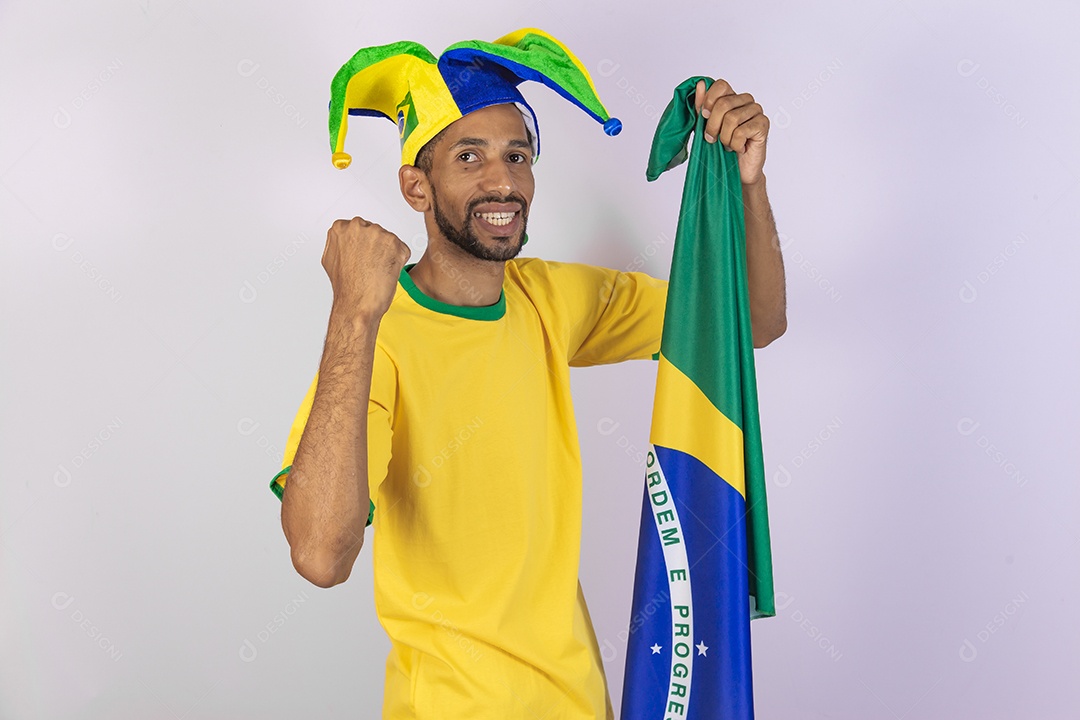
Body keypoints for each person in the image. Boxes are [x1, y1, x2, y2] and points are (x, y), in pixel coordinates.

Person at [271, 29, 786, 720]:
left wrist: (746, 184)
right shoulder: (376, 342)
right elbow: (320, 554)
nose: (502, 180)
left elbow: (748, 321)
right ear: (415, 187)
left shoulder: (551, 299)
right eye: (468, 156)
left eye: (518, 155)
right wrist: (352, 317)